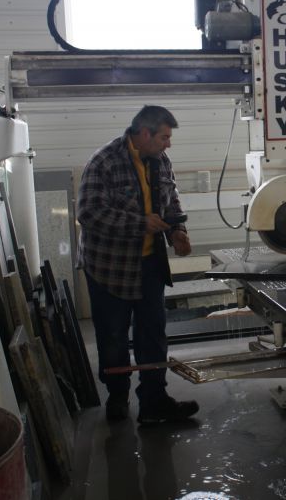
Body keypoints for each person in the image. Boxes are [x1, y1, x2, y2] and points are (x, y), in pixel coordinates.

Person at [77, 105, 198, 424]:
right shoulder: (104, 161)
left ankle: (154, 402)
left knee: (153, 334)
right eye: (164, 137)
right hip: (110, 269)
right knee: (113, 337)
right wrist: (140, 224)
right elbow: (88, 213)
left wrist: (178, 232)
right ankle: (117, 397)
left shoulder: (161, 160)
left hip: (150, 265)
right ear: (145, 133)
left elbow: (171, 201)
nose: (168, 144)